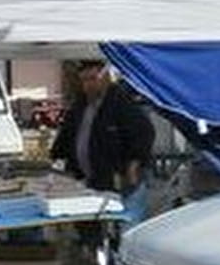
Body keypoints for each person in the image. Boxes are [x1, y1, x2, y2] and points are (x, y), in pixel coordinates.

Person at [51, 60, 155, 222]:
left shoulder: (122, 103)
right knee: (94, 223)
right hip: (91, 179)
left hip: (120, 179)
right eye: (84, 80)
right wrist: (58, 158)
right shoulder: (80, 106)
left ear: (106, 78)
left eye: (93, 79)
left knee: (125, 225)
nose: (88, 85)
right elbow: (67, 136)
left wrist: (133, 166)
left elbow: (144, 133)